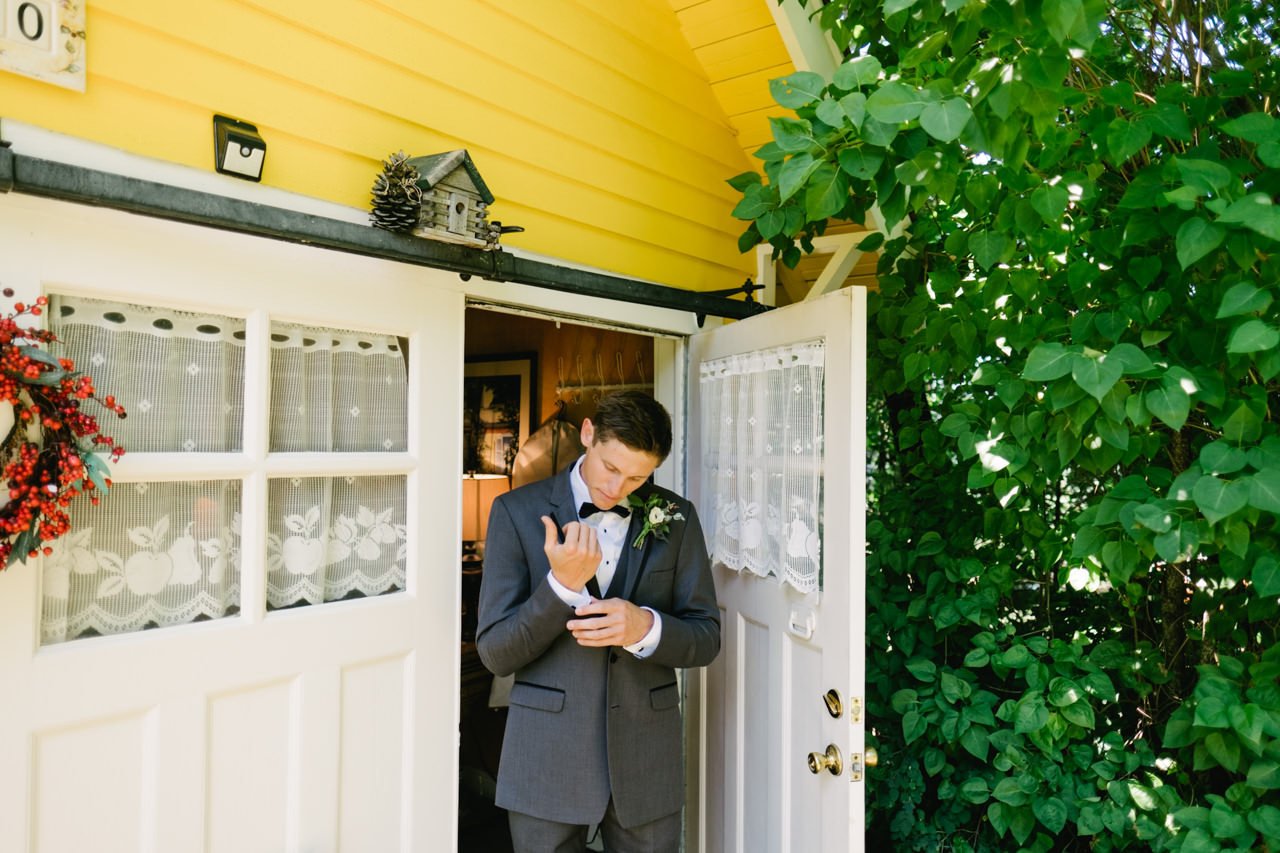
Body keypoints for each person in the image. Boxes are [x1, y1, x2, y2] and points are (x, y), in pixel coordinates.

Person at [476, 391, 720, 852]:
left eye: (637, 476)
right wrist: (561, 588)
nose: (617, 488)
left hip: (647, 762)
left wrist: (646, 627)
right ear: (588, 434)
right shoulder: (515, 512)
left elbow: (706, 636)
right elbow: (496, 652)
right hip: (546, 757)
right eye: (611, 468)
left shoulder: (677, 518)